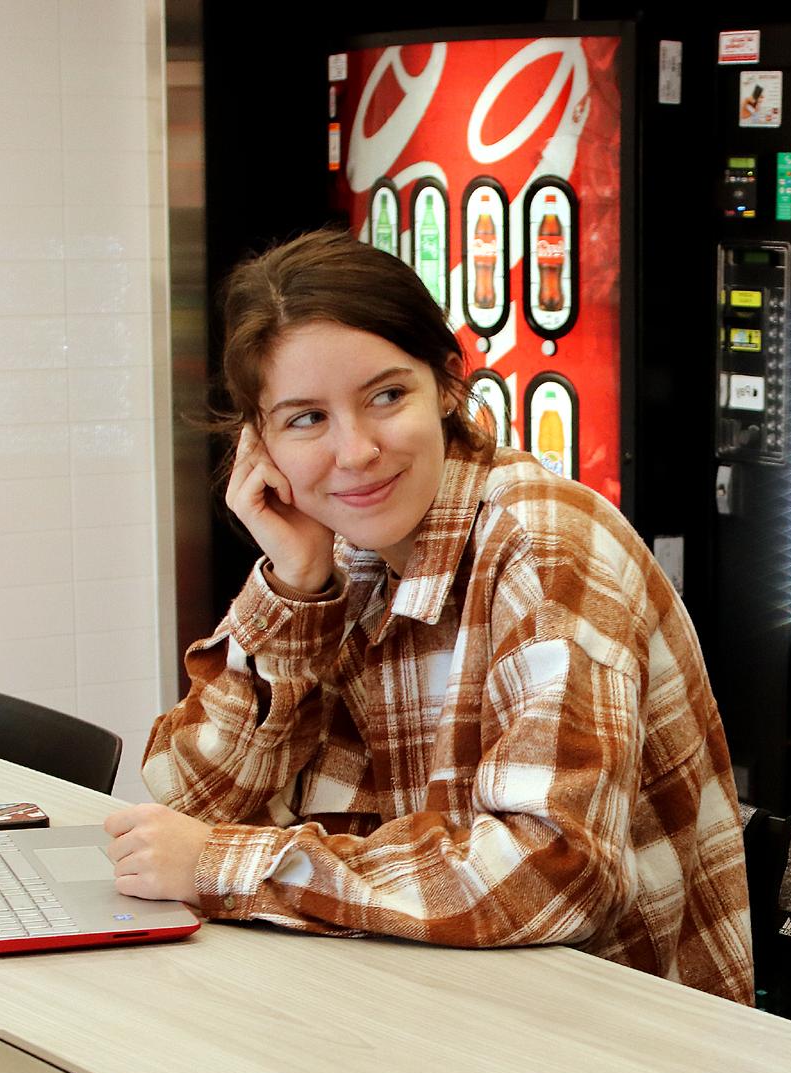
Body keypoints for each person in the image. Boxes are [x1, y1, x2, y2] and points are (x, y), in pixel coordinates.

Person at [105, 230, 754, 1004]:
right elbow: (186, 806)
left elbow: (555, 873)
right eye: (306, 419)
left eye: (386, 396)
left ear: (448, 385)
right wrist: (293, 587)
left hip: (615, 1046)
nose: (355, 452)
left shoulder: (543, 548)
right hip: (426, 1003)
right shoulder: (343, 551)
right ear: (260, 443)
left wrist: (225, 864)